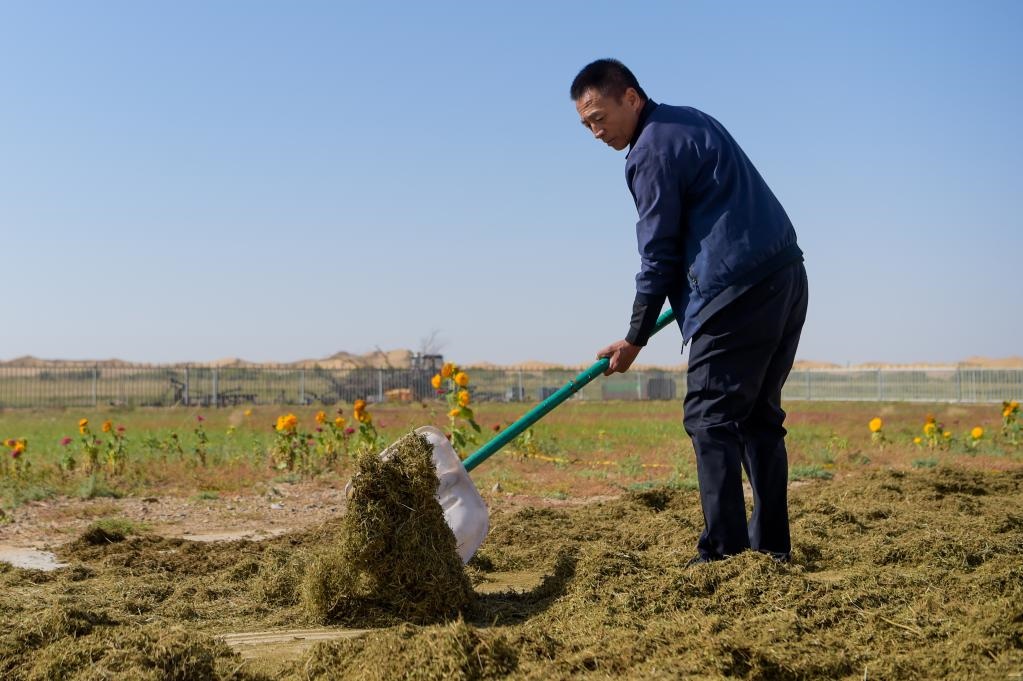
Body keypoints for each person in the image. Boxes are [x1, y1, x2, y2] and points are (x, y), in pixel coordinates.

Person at [571, 59, 809, 564]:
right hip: (785, 275)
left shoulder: (651, 151)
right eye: (586, 125)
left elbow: (658, 254)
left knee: (709, 417)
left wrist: (635, 336)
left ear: (630, 97)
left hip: (737, 290)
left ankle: (723, 555)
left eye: (599, 117)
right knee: (758, 419)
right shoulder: (689, 121)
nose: (596, 133)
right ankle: (771, 550)